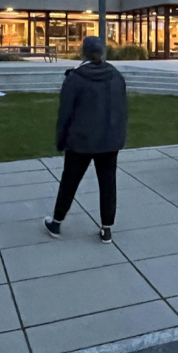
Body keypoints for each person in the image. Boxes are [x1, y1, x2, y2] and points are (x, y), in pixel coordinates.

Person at [44, 36, 128, 243]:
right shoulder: (116, 77)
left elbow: (65, 113)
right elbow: (122, 111)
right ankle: (106, 229)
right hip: (109, 141)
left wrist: (61, 140)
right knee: (108, 183)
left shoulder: (75, 78)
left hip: (80, 141)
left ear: (83, 52)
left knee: (69, 181)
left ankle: (56, 222)